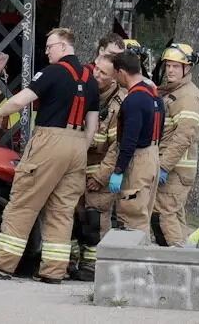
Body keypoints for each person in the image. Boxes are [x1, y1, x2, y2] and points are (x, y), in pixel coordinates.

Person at [0, 28, 99, 283]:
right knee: (62, 210)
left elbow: (22, 100)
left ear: (64, 46)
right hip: (78, 144)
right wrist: (79, 148)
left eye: (49, 46)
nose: (46, 51)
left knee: (24, 201)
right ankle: (54, 271)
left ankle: (2, 263)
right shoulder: (91, 78)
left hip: (50, 140)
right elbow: (93, 123)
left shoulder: (52, 72)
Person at [88, 52, 161, 239]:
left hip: (138, 158)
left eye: (114, 74)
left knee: (131, 217)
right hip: (153, 155)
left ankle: (132, 265)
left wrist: (118, 170)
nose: (114, 79)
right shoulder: (153, 94)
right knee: (142, 213)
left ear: (121, 72)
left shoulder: (134, 100)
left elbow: (129, 139)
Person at [72, 53, 126, 280]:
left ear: (115, 77)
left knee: (96, 220)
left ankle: (93, 266)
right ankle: (72, 261)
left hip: (100, 172)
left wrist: (103, 176)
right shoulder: (87, 91)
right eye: (95, 69)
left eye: (103, 73)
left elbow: (117, 146)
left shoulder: (119, 103)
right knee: (75, 218)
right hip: (78, 167)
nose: (96, 74)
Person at [152, 43, 199, 246]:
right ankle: (184, 257)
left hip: (175, 169)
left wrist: (164, 166)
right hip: (174, 168)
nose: (171, 70)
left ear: (187, 68)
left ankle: (177, 264)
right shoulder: (175, 92)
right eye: (169, 66)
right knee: (174, 215)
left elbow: (183, 137)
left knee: (166, 215)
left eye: (176, 66)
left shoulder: (188, 97)